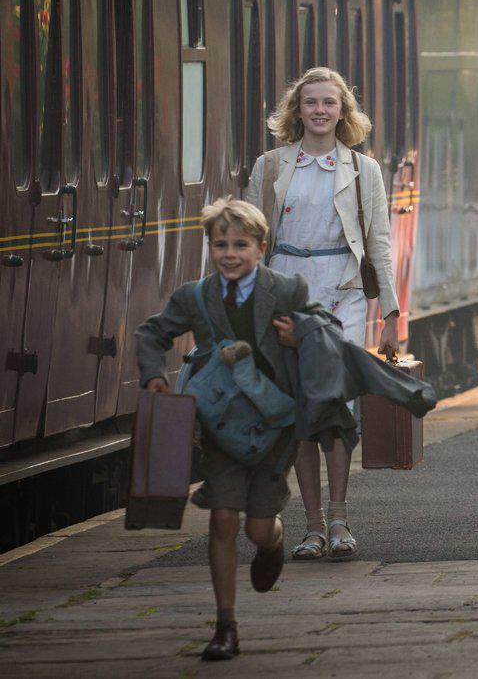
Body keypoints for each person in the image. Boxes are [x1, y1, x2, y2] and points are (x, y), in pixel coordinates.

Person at [135, 197, 324, 660]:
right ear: (209, 247)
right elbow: (151, 333)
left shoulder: (287, 289)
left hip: (273, 427)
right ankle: (225, 626)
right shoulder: (194, 297)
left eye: (241, 244)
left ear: (261, 247)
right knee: (222, 518)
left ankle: (273, 542)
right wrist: (154, 374)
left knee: (257, 529)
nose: (230, 253)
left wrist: (300, 334)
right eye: (220, 244)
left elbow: (326, 329)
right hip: (220, 426)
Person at [247, 67, 400, 561]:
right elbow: (250, 243)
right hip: (286, 290)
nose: (319, 111)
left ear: (343, 111)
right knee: (298, 410)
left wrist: (392, 312)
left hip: (344, 292)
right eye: (310, 102)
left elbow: (378, 242)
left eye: (328, 103)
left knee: (333, 408)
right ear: (297, 111)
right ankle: (311, 526)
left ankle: (340, 518)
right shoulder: (270, 167)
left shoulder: (363, 169)